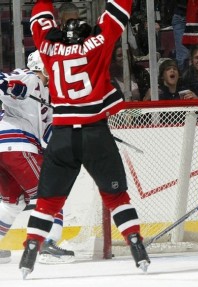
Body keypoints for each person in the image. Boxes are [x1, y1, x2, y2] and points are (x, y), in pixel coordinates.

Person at [19, 0, 150, 278]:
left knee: (48, 202)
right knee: (116, 196)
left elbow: (39, 17)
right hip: (95, 133)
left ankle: (31, 249)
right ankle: (137, 246)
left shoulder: (48, 47)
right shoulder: (98, 43)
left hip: (63, 136)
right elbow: (117, 12)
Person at [0, 50, 74, 265]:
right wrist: (13, 87)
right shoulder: (29, 78)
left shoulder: (48, 96)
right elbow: (4, 81)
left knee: (13, 203)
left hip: (10, 148)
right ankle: (48, 243)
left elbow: (48, 133)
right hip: (16, 145)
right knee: (52, 191)